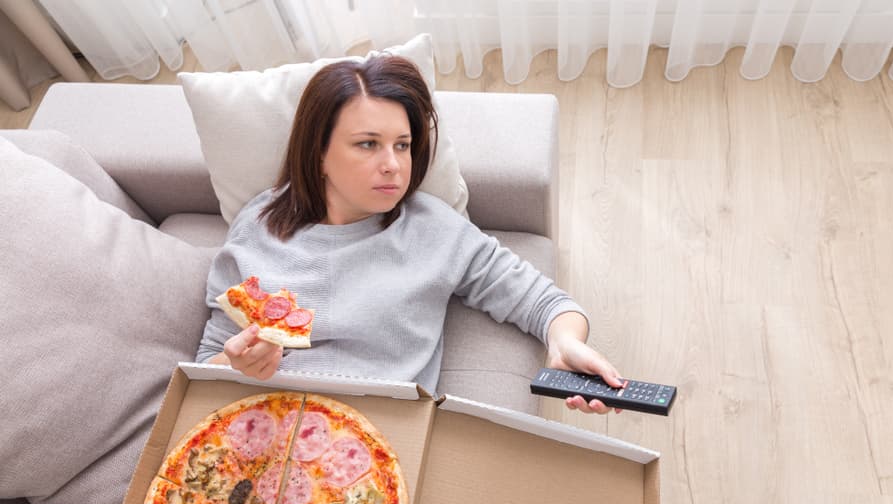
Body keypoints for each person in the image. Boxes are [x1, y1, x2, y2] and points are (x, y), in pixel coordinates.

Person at [196, 54, 621, 414]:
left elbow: (544, 302)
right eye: (367, 144)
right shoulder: (257, 224)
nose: (394, 166)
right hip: (260, 430)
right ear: (319, 152)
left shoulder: (434, 229)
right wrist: (237, 365)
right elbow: (206, 365)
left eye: (402, 145)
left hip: (379, 451)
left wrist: (565, 342)